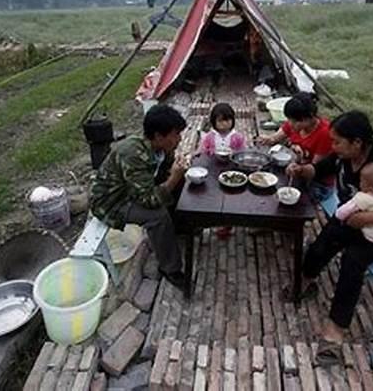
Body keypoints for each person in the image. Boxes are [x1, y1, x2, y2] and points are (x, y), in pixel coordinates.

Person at [284, 110, 373, 365]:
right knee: (323, 242)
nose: (333, 146)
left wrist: (368, 218)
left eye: (337, 142)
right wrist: (303, 170)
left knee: (352, 263)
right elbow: (322, 167)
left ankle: (335, 331)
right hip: (349, 221)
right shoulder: (343, 158)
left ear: (357, 142)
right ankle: (305, 280)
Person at [90, 104, 189, 289]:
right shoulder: (132, 154)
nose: (179, 139)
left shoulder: (160, 148)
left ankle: (179, 227)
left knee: (181, 183)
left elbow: (163, 172)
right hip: (113, 202)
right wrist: (174, 178)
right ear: (159, 136)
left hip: (134, 190)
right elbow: (149, 200)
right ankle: (170, 269)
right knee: (158, 216)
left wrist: (176, 173)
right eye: (175, 134)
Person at [257, 92, 334, 202]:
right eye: (289, 119)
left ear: (309, 118)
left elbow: (315, 169)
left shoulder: (324, 133)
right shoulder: (293, 123)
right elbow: (275, 138)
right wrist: (267, 139)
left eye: (294, 121)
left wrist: (298, 166)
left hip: (317, 184)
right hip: (297, 172)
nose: (290, 124)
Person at [199, 102, 246, 239]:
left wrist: (235, 154)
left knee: (231, 197)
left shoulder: (237, 137)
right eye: (221, 121)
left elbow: (243, 151)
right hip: (214, 170)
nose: (225, 124)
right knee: (214, 196)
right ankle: (215, 220)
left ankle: (228, 223)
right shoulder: (210, 137)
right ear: (214, 122)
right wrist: (209, 153)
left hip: (232, 170)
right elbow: (203, 151)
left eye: (228, 120)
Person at [335, 161, 373, 244]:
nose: (359, 184)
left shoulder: (362, 198)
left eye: (361, 181)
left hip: (366, 235)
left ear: (371, 189)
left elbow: (342, 212)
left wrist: (338, 217)